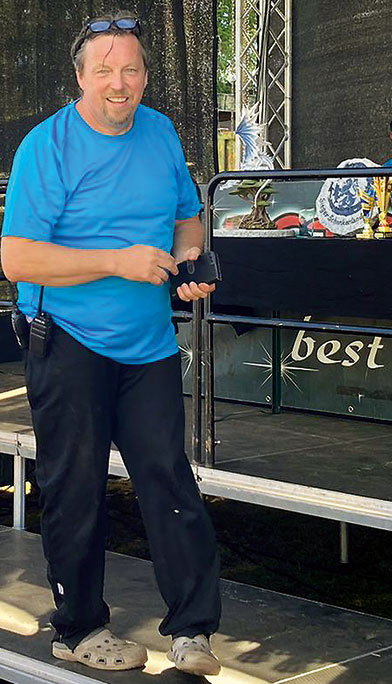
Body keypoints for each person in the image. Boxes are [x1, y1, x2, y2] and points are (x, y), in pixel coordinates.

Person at [1, 12, 222, 677]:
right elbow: (15, 258)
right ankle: (77, 628)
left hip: (148, 342)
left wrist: (189, 264)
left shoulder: (158, 131)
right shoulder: (48, 146)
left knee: (169, 478)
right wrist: (116, 262)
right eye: (106, 71)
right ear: (81, 77)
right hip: (67, 340)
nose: (120, 83)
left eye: (131, 69)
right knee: (76, 489)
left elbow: (189, 213)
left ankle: (192, 630)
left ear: (146, 76)